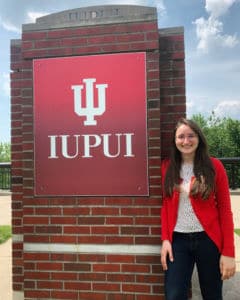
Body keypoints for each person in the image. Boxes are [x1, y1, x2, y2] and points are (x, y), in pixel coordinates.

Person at [160, 118, 236, 300]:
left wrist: (228, 253)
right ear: (175, 141)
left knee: (212, 295)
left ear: (199, 138)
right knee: (174, 294)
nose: (186, 141)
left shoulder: (214, 166)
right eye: (181, 137)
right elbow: (165, 207)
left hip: (208, 240)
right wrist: (165, 240)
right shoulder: (166, 168)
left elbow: (225, 210)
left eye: (191, 136)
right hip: (178, 241)